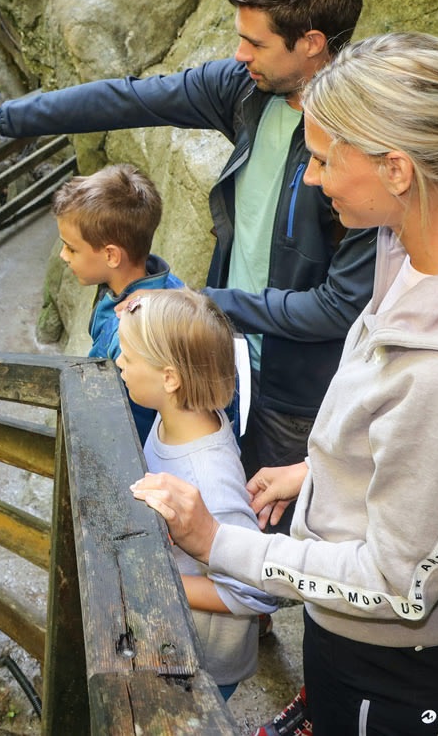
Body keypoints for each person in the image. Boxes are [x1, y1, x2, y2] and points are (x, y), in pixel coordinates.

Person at [130, 32, 438, 736]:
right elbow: (401, 440)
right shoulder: (419, 245)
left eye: (320, 158)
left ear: (397, 169)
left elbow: (394, 584)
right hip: (345, 631)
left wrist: (215, 542)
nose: (312, 178)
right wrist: (319, 471)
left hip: (390, 664)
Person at [0, 0, 376, 526]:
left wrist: (203, 303)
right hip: (227, 356)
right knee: (212, 500)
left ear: (311, 44)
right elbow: (126, 99)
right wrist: (0, 120)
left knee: (266, 534)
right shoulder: (246, 93)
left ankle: (249, 615)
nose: (239, 54)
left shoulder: (359, 150)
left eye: (254, 41)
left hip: (299, 390)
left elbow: (340, 309)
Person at [116, 288, 278, 700]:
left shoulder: (210, 476)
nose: (118, 363)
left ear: (170, 378)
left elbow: (255, 591)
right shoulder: (179, 415)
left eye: (128, 357)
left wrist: (156, 580)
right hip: (179, 627)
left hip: (206, 660)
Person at [51, 164, 184, 444]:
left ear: (111, 256)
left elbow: (129, 424)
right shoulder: (165, 282)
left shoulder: (130, 335)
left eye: (72, 248)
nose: (63, 255)